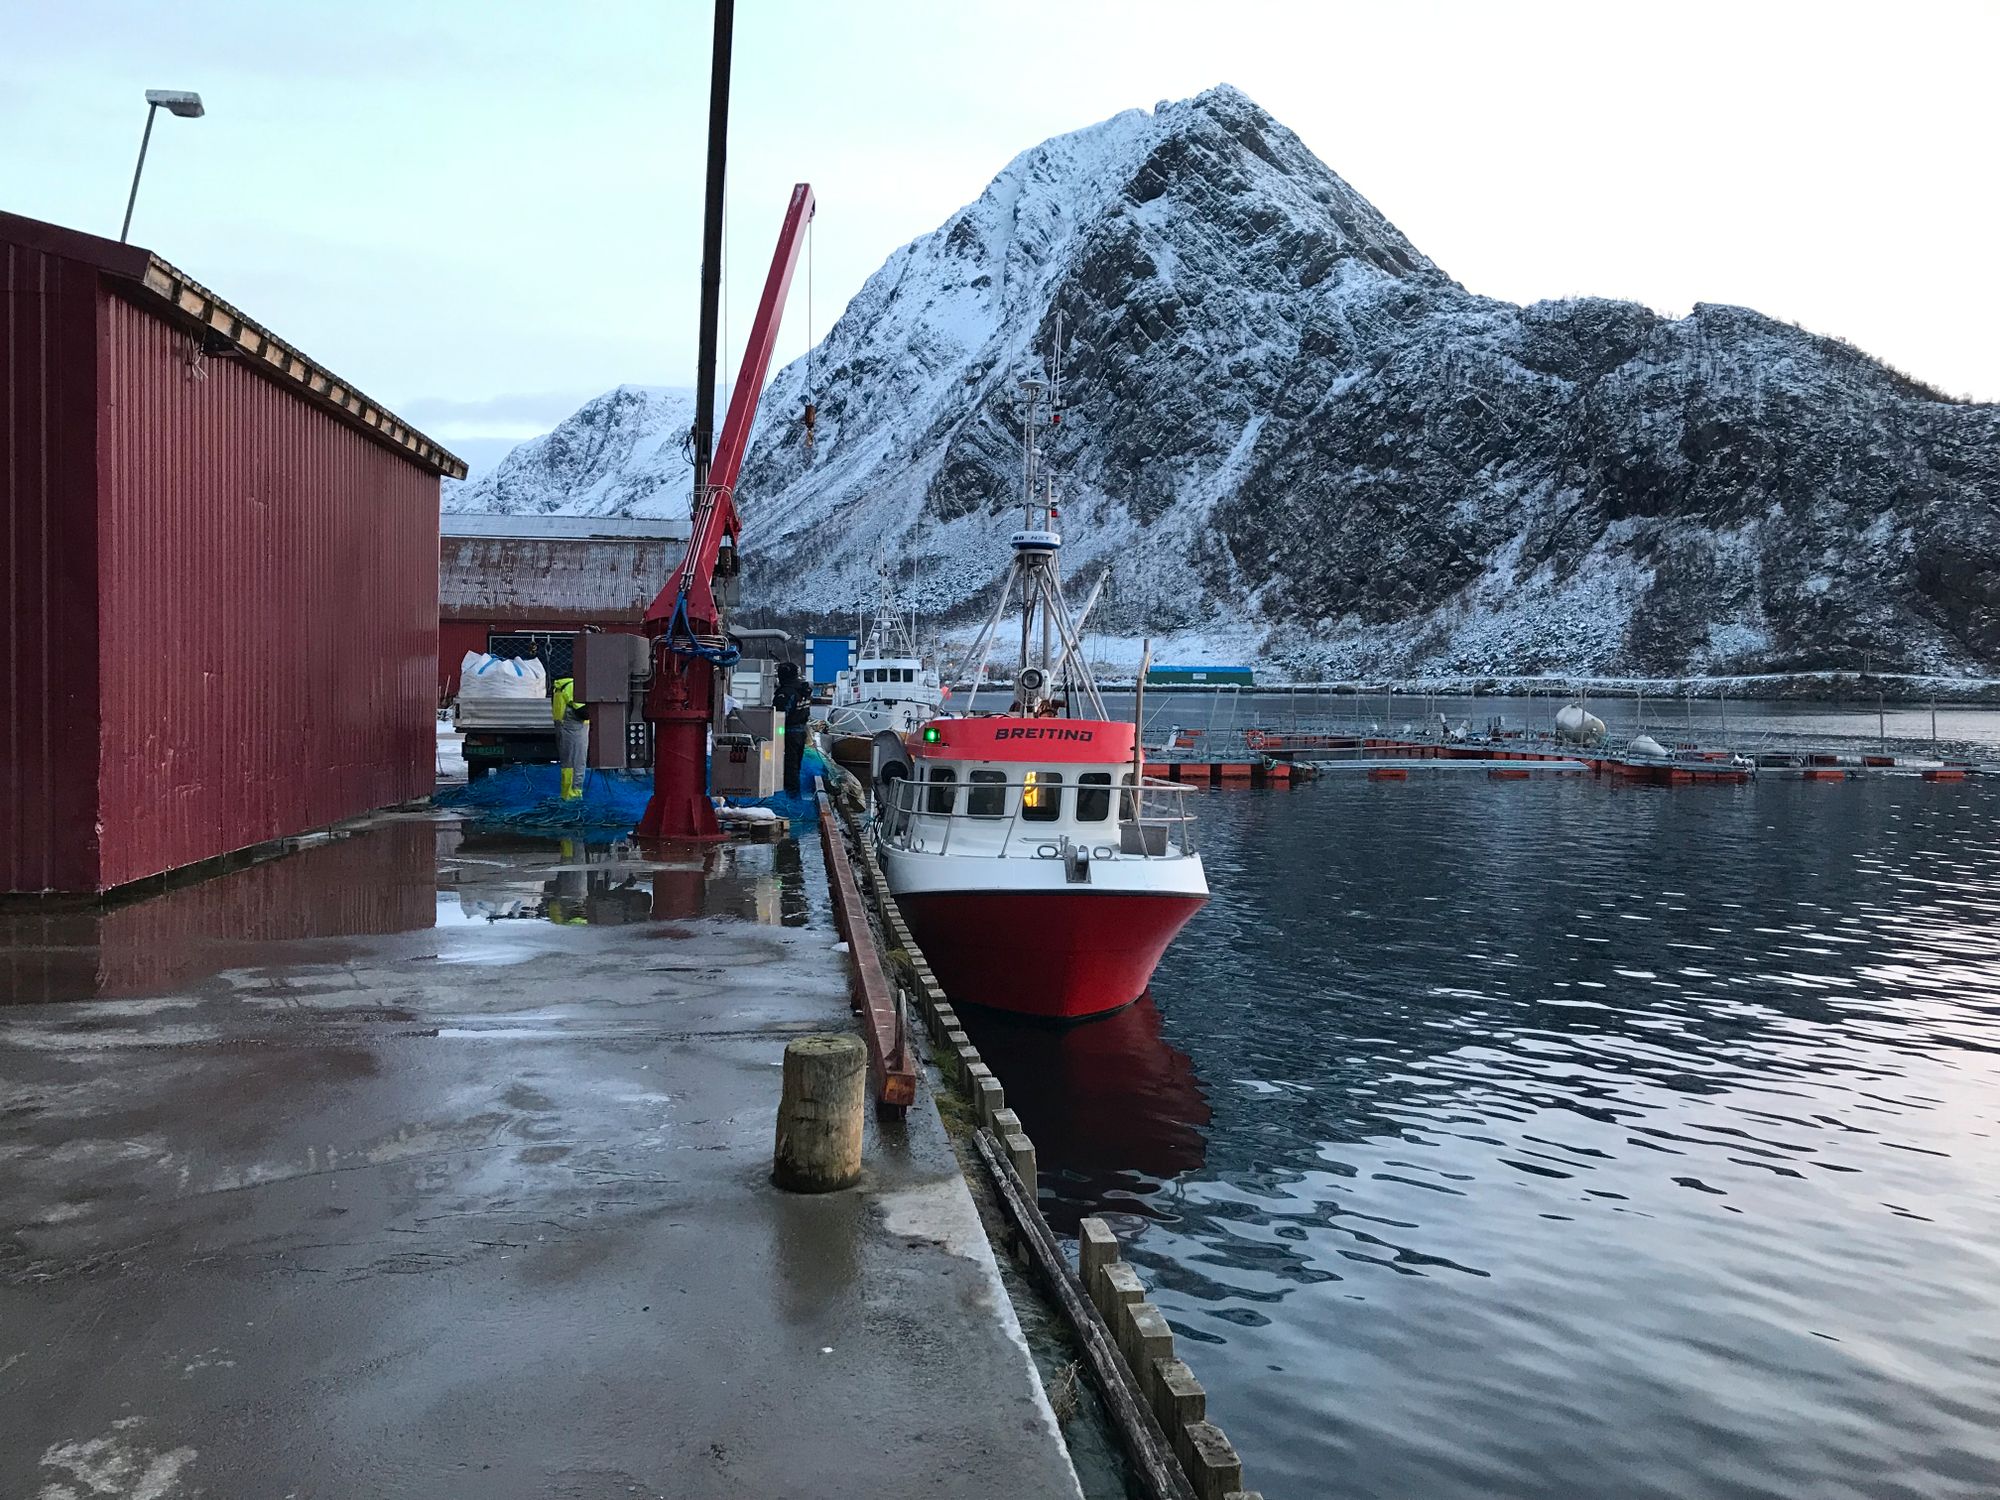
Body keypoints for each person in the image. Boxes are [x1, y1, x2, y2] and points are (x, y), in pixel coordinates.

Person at [771, 660, 812, 795]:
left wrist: (775, 733)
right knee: (796, 766)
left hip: (788, 733)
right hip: (801, 732)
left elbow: (779, 715)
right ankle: (795, 793)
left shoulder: (786, 692)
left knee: (789, 766)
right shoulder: (803, 689)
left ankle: (791, 795)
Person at [551, 675, 590, 800]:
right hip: (574, 730)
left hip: (565, 729)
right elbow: (583, 712)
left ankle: (567, 794)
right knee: (576, 764)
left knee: (568, 765)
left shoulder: (560, 686)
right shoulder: (573, 686)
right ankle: (574, 796)